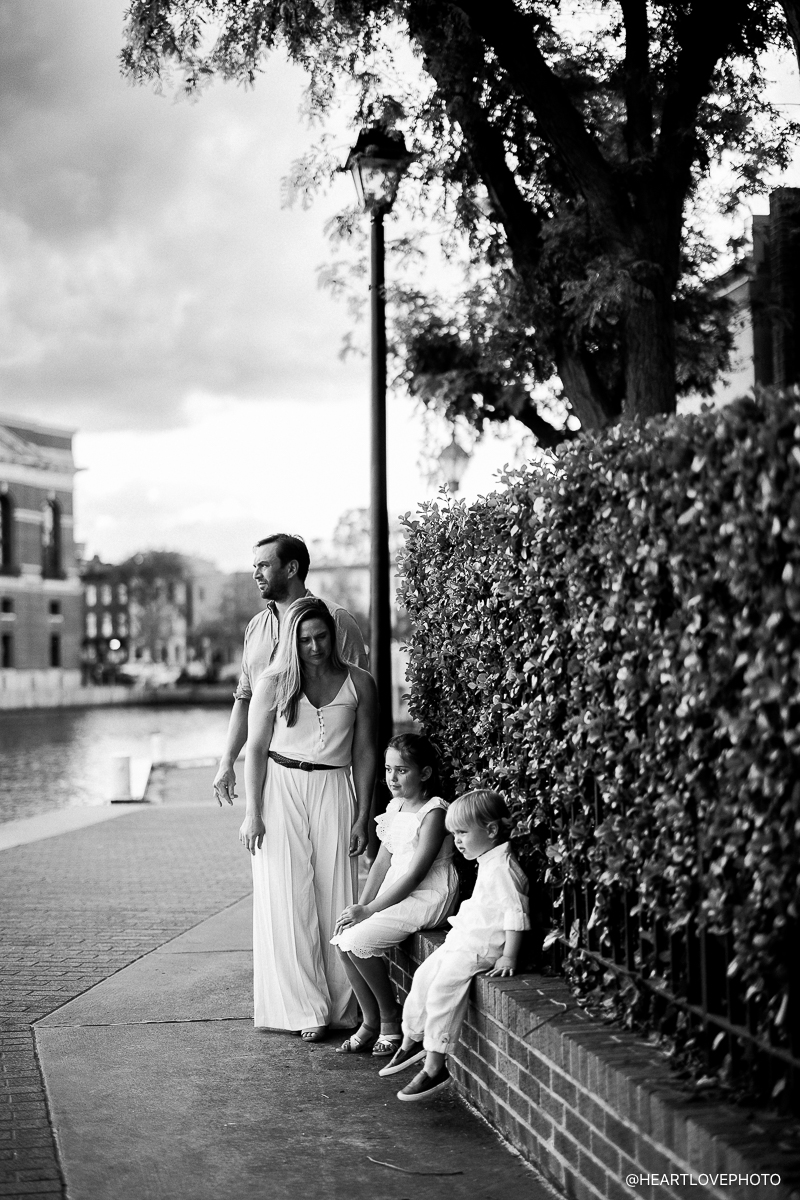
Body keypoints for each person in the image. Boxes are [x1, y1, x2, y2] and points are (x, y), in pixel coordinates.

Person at [238, 596, 378, 1040]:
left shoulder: (360, 683)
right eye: (304, 639)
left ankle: (340, 1008)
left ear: (333, 635)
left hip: (334, 787)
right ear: (291, 642)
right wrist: (252, 813)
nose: (315, 647)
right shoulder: (273, 683)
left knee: (336, 894)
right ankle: (304, 1011)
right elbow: (255, 750)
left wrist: (362, 816)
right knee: (286, 897)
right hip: (279, 788)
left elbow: (366, 752)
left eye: (321, 637)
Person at [379, 789, 530, 1102]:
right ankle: (412, 1040)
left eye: (463, 833)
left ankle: (435, 1066)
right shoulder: (488, 860)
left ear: (491, 830)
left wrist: (508, 956)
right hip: (462, 938)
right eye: (454, 834)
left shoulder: (503, 868)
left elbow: (515, 913)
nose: (458, 841)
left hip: (479, 947)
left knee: (443, 990)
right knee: (424, 977)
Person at [213, 533, 368, 807]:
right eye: (255, 566)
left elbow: (360, 704)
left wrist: (362, 806)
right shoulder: (256, 627)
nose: (256, 574)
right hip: (269, 778)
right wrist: (227, 761)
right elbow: (245, 698)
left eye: (264, 565)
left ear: (291, 568)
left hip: (328, 781)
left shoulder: (337, 621)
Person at [330, 734, 458, 1056]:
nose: (392, 778)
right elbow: (382, 862)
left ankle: (390, 1019)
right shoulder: (395, 806)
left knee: (357, 944)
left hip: (427, 894)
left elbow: (415, 875)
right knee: (343, 940)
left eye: (401, 770)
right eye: (388, 769)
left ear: (424, 773)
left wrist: (371, 910)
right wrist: (361, 905)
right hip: (395, 890)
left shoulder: (433, 813)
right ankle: (370, 1020)